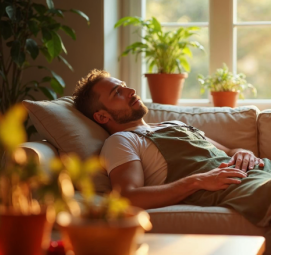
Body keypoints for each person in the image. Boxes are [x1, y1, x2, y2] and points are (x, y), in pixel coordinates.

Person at [72, 69, 271, 253]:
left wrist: (243, 152)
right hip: (236, 185)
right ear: (102, 116)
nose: (130, 90)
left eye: (124, 85)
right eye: (117, 92)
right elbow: (127, 197)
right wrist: (197, 181)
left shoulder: (174, 124)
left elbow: (228, 150)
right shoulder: (122, 140)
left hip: (259, 169)